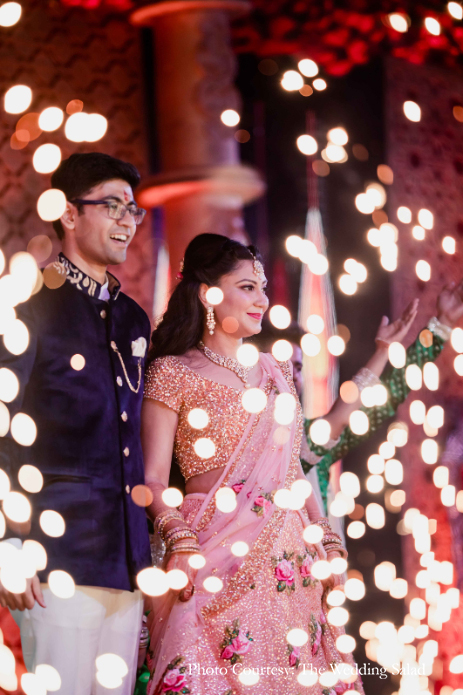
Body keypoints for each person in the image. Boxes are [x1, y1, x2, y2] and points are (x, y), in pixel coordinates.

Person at [142, 234, 364, 695]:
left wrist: (325, 535)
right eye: (247, 287)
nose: (262, 299)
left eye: (262, 287)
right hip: (209, 549)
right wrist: (179, 539)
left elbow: (293, 471)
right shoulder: (173, 371)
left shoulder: (276, 370)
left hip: (290, 558)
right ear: (208, 293)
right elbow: (152, 479)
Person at [0, 153, 152, 694]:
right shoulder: (28, 303)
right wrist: (8, 544)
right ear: (68, 213)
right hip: (54, 557)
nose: (127, 222)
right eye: (113, 207)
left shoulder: (133, 319)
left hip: (129, 562)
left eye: (133, 210)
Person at [301, 286, 463, 512]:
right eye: (287, 366)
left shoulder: (313, 445)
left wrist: (440, 325)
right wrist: (382, 352)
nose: (294, 375)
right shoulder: (284, 450)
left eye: (300, 367)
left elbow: (388, 395)